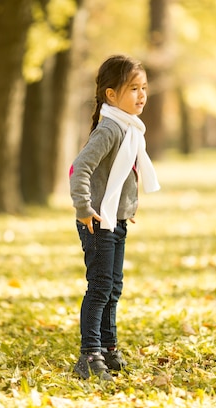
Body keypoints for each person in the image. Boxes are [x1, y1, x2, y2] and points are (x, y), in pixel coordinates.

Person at [69, 55, 160, 380]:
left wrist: (126, 210)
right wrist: (84, 208)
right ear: (111, 94)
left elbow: (120, 177)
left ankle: (109, 349)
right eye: (133, 88)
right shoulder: (110, 129)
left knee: (114, 287)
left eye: (144, 87)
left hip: (115, 220)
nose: (141, 95)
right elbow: (80, 169)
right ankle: (89, 355)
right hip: (96, 221)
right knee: (100, 287)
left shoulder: (129, 128)